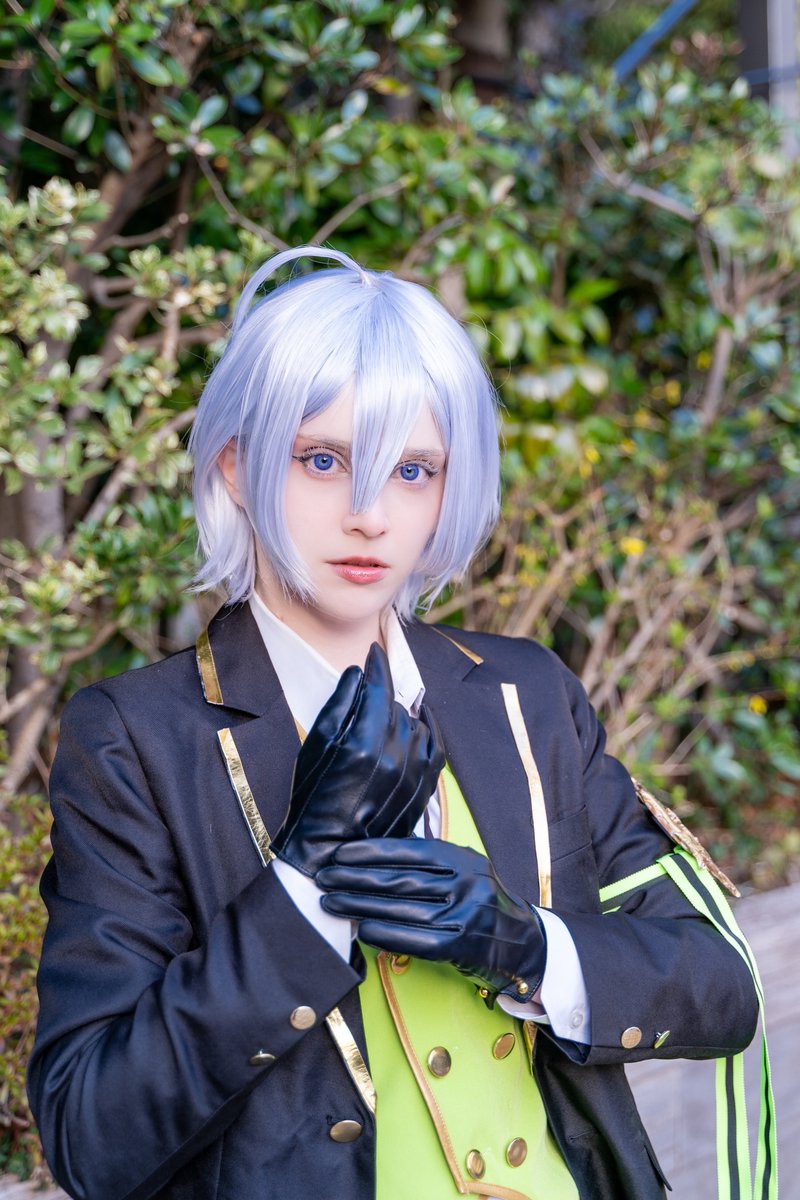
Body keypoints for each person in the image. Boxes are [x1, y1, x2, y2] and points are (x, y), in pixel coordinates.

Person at [29, 246, 762, 1200]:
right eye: (323, 460)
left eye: (413, 470)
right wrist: (303, 887)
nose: (370, 515)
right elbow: (90, 1137)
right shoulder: (135, 738)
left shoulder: (526, 693)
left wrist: (529, 945)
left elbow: (720, 985)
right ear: (237, 468)